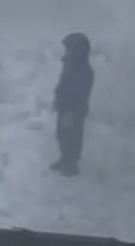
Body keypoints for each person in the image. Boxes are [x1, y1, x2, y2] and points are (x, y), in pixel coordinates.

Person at [51, 32, 95, 176]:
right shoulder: (69, 64)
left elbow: (81, 92)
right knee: (62, 134)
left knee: (73, 137)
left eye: (69, 49)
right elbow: (63, 82)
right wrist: (58, 98)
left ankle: (72, 164)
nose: (66, 52)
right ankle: (64, 159)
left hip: (74, 108)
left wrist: (75, 109)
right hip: (65, 105)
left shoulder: (83, 70)